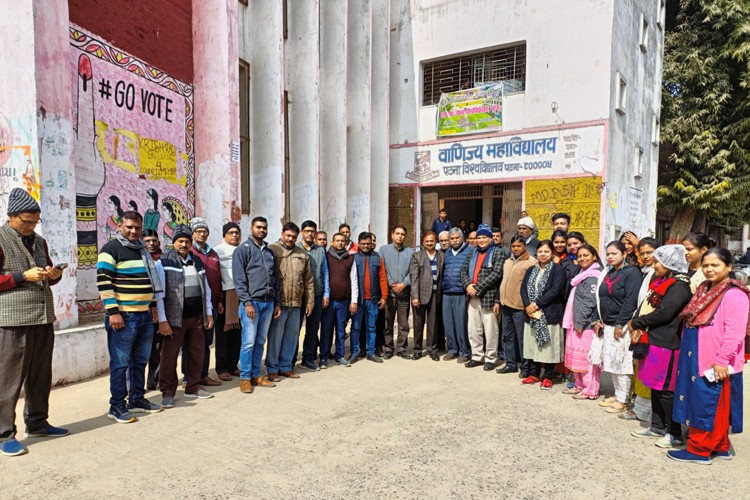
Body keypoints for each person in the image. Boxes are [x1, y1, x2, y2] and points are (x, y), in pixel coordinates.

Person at [0, 189, 67, 457]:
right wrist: (21, 276)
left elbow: (48, 277)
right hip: (12, 320)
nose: (30, 227)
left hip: (42, 317)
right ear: (11, 216)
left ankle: (37, 422)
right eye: (26, 221)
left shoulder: (39, 241)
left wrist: (53, 274)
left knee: (41, 375)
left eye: (35, 222)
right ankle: (4, 433)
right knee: (8, 379)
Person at [668, 248, 750, 464]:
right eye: (706, 265)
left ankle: (699, 449)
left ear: (729, 267)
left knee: (706, 403)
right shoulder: (705, 289)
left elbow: (735, 332)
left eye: (716, 265)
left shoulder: (734, 294)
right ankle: (720, 445)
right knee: (716, 404)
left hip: (715, 360)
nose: (710, 269)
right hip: (698, 354)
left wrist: (722, 360)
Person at [97, 210, 163, 423]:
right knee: (120, 363)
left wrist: (152, 305)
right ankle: (117, 406)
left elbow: (149, 281)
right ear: (119, 227)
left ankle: (137, 399)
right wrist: (113, 312)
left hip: (143, 315)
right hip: (123, 316)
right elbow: (104, 281)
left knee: (140, 361)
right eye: (129, 227)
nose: (134, 231)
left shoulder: (142, 250)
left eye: (137, 228)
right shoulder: (111, 249)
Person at [626, 245, 693, 448]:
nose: (654, 265)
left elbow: (665, 313)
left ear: (670, 264)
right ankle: (656, 426)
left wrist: (637, 322)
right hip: (654, 340)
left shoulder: (679, 287)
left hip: (667, 343)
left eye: (657, 262)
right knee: (654, 386)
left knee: (665, 389)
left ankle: (674, 433)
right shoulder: (664, 282)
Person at [154, 225, 215, 407]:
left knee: (197, 354)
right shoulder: (163, 262)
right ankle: (167, 391)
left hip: (196, 317)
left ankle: (193, 387)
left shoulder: (197, 261)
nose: (184, 244)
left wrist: (209, 313)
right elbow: (159, 293)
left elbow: (207, 290)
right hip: (174, 319)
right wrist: (163, 320)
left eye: (187, 241)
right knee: (169, 356)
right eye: (180, 241)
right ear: (174, 243)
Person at [233, 216, 281, 394]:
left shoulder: (268, 252)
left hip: (268, 303)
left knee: (260, 341)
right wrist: (247, 302)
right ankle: (245, 378)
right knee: (248, 342)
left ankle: (256, 375)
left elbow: (275, 279)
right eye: (258, 227)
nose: (261, 230)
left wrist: (276, 303)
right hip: (251, 303)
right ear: (252, 228)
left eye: (264, 227)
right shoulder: (242, 250)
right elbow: (239, 280)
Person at [595, 241, 643, 414]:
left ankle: (623, 399)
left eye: (614, 253)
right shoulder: (608, 272)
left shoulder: (632, 273)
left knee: (622, 362)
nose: (610, 257)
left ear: (624, 254)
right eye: (608, 254)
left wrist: (619, 324)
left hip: (621, 324)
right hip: (607, 323)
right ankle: (617, 394)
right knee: (612, 361)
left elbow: (630, 301)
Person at [266, 222, 314, 381]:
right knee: (275, 337)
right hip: (279, 303)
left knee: (291, 336)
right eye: (288, 236)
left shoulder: (302, 254)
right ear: (282, 234)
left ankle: (285, 367)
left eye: (294, 236)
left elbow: (308, 280)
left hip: (296, 303)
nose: (290, 239)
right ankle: (272, 368)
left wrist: (310, 302)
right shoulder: (273, 250)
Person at [519, 240, 566, 389]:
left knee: (548, 347)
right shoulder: (531, 270)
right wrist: (528, 306)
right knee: (533, 345)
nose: (543, 254)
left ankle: (548, 376)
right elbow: (523, 289)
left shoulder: (558, 270)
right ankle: (534, 374)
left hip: (549, 313)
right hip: (531, 314)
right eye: (540, 252)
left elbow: (555, 290)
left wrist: (536, 304)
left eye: (546, 251)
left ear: (552, 253)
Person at [461, 224, 506, 370]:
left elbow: (497, 274)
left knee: (491, 330)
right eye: (478, 237)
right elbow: (463, 271)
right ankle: (476, 356)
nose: (480, 240)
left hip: (489, 297)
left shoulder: (498, 253)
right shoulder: (471, 253)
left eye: (484, 237)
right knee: (474, 329)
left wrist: (477, 287)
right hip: (472, 297)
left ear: (490, 238)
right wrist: (468, 286)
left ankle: (491, 358)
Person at [562, 244, 602, 400]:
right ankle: (580, 385)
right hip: (576, 322)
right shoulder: (583, 273)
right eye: (580, 256)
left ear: (594, 256)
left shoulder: (593, 276)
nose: (582, 258)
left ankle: (590, 389)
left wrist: (580, 322)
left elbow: (589, 302)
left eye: (586, 255)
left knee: (587, 360)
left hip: (585, 325)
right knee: (576, 358)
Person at [189, 218, 223, 387]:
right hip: (195, 305)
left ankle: (203, 374)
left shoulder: (213, 253)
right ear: (193, 233)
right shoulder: (189, 251)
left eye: (204, 231)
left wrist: (219, 301)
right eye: (198, 231)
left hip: (213, 305)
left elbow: (218, 278)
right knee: (192, 343)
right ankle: (189, 377)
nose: (202, 234)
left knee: (207, 342)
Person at [496, 236, 537, 375]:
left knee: (522, 338)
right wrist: (498, 300)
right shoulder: (507, 261)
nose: (515, 249)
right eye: (513, 246)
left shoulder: (531, 263)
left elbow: (532, 287)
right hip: (506, 305)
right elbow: (502, 282)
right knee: (507, 336)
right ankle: (510, 363)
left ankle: (525, 367)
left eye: (518, 246)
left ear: (524, 246)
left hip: (520, 307)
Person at [321, 233, 358, 367]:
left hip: (344, 301)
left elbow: (354, 280)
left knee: (341, 330)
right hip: (329, 301)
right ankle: (324, 357)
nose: (340, 243)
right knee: (326, 330)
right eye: (337, 241)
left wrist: (354, 300)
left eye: (343, 241)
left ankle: (339, 355)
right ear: (332, 242)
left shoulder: (350, 258)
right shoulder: (326, 256)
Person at [298, 221, 330, 371]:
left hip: (317, 295)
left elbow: (325, 273)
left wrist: (326, 293)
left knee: (312, 329)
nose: (310, 233)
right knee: (294, 330)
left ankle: (308, 358)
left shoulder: (320, 250)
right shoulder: (296, 248)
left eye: (312, 231)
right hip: (298, 297)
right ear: (302, 232)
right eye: (307, 231)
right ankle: (289, 360)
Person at [350, 232, 387, 363]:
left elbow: (382, 278)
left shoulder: (377, 258)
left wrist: (384, 296)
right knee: (356, 327)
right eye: (363, 243)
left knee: (372, 327)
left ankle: (371, 352)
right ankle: (354, 352)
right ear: (358, 244)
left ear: (372, 244)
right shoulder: (353, 258)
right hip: (358, 300)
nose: (366, 246)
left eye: (368, 243)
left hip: (373, 299)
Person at [380, 225, 414, 359]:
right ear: (392, 235)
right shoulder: (383, 250)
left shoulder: (410, 252)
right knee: (387, 323)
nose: (400, 236)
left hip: (404, 293)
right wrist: (391, 283)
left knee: (403, 324)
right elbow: (382, 270)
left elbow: (413, 271)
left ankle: (401, 348)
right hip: (388, 293)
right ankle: (388, 348)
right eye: (397, 233)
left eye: (403, 234)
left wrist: (404, 284)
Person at [214, 222, 243, 381]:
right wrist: (219, 299)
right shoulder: (217, 252)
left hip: (242, 295)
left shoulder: (244, 250)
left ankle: (233, 365)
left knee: (238, 332)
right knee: (223, 334)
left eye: (237, 232)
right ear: (224, 235)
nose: (234, 235)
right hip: (225, 296)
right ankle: (222, 367)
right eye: (231, 232)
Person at [410, 231, 445, 361]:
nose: (430, 243)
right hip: (420, 295)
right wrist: (415, 296)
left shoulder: (441, 256)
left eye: (432, 241)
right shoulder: (417, 256)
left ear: (435, 242)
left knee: (433, 324)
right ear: (423, 243)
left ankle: (432, 349)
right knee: (418, 323)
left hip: (436, 294)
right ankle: (417, 349)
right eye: (427, 241)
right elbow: (414, 277)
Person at [442, 228, 473, 363]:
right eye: (452, 239)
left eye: (457, 238)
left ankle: (464, 351)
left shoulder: (470, 251)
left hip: (461, 292)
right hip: (447, 292)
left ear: (462, 238)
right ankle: (452, 349)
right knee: (449, 323)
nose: (454, 241)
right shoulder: (446, 253)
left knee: (461, 324)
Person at [143, 230, 163, 391]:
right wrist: (152, 307)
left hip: (161, 310)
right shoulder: (139, 259)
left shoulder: (163, 259)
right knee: (139, 351)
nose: (151, 243)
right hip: (143, 310)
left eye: (154, 240)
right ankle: (134, 387)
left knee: (157, 349)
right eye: (147, 240)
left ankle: (154, 381)